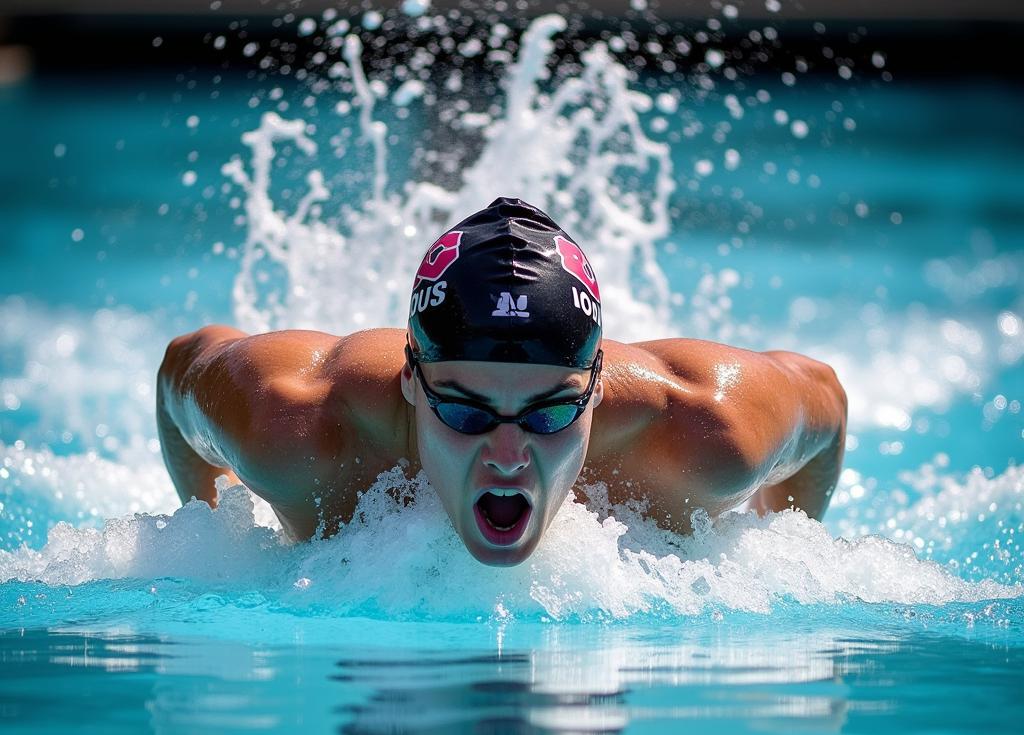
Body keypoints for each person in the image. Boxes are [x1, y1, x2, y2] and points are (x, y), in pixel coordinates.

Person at [157, 197, 847, 567]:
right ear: (409, 381)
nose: (509, 455)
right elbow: (178, 370)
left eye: (549, 414)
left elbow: (826, 401)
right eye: (464, 410)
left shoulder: (703, 434)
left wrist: (774, 546)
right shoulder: (296, 426)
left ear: (597, 388)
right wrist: (224, 535)